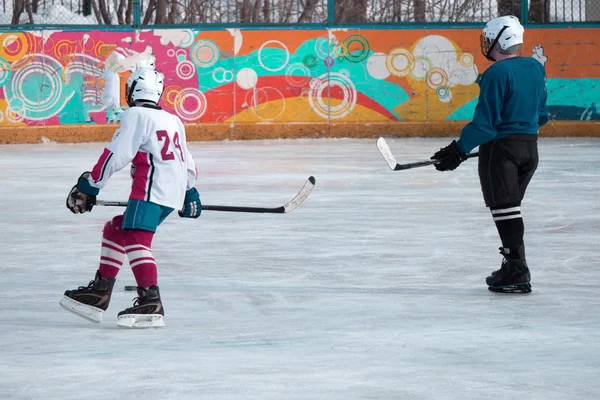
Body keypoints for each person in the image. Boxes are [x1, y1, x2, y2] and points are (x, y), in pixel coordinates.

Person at [60, 67, 202, 327]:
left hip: (150, 189)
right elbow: (187, 160)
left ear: (131, 90)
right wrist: (189, 191)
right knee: (117, 229)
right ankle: (100, 292)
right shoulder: (173, 120)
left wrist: (90, 185)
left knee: (137, 239)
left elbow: (116, 154)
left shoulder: (135, 115)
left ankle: (151, 301)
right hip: (171, 192)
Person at [430, 15, 548, 294]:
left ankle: (517, 270)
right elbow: (541, 115)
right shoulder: (535, 67)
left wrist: (457, 151)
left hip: (502, 151)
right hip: (529, 149)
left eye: (489, 38)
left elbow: (485, 125)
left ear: (500, 39)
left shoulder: (495, 73)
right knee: (510, 209)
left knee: (505, 210)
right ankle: (514, 266)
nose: (486, 44)